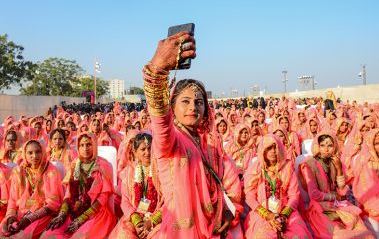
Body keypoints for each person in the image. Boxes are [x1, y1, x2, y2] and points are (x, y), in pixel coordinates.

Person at [142, 31, 243, 238]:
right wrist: (157, 70)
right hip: (182, 230)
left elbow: (222, 184)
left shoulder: (210, 142)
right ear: (172, 106)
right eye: (185, 101)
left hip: (215, 225)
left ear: (206, 109)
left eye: (199, 102)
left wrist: (226, 210)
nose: (193, 107)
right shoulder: (170, 139)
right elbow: (160, 119)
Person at [298, 132, 374, 238]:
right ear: (317, 146)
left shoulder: (336, 162)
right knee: (338, 234)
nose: (326, 149)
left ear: (335, 147)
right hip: (320, 207)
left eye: (330, 145)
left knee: (359, 227)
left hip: (339, 203)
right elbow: (313, 194)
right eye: (323, 145)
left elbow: (342, 191)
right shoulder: (310, 164)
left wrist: (338, 169)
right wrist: (334, 196)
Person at [43, 132, 116, 238]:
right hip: (74, 210)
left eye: (89, 144)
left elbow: (103, 197)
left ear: (94, 145)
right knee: (49, 234)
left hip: (96, 213)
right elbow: (68, 194)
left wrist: (83, 218)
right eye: (82, 145)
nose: (85, 148)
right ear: (78, 147)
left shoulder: (102, 165)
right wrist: (62, 214)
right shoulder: (75, 164)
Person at [244, 134, 312, 239]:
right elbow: (249, 196)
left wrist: (284, 216)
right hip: (261, 213)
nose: (272, 151)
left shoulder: (287, 167)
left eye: (275, 147)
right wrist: (267, 215)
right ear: (263, 150)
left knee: (300, 235)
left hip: (287, 211)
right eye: (268, 148)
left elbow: (294, 195)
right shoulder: (256, 169)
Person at [1, 140, 64, 238]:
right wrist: (10, 217)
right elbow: (12, 200)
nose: (34, 156)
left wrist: (30, 218)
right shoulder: (18, 171)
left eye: (38, 152)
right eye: (30, 153)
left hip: (43, 214)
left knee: (22, 236)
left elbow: (53, 203)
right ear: (24, 154)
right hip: (21, 212)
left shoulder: (51, 171)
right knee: (3, 232)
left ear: (42, 152)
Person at [109, 133, 162, 238]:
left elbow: (169, 201)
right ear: (135, 152)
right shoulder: (129, 172)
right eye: (143, 149)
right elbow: (125, 201)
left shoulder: (161, 170)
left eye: (150, 149)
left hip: (158, 217)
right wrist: (137, 221)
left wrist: (151, 222)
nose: (147, 153)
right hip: (134, 216)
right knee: (124, 235)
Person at [352, 129, 379, 233]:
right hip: (378, 199)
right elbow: (369, 190)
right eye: (377, 143)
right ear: (371, 145)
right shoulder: (368, 163)